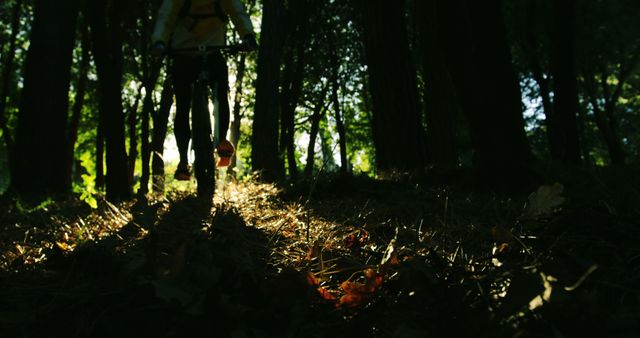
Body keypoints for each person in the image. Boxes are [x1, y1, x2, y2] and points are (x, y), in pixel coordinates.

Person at [151, 0, 257, 180]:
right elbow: (165, 16)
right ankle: (184, 159)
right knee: (184, 104)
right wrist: (159, 40)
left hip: (203, 52)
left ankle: (221, 141)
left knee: (219, 93)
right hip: (185, 53)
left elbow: (238, 12)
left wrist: (248, 35)